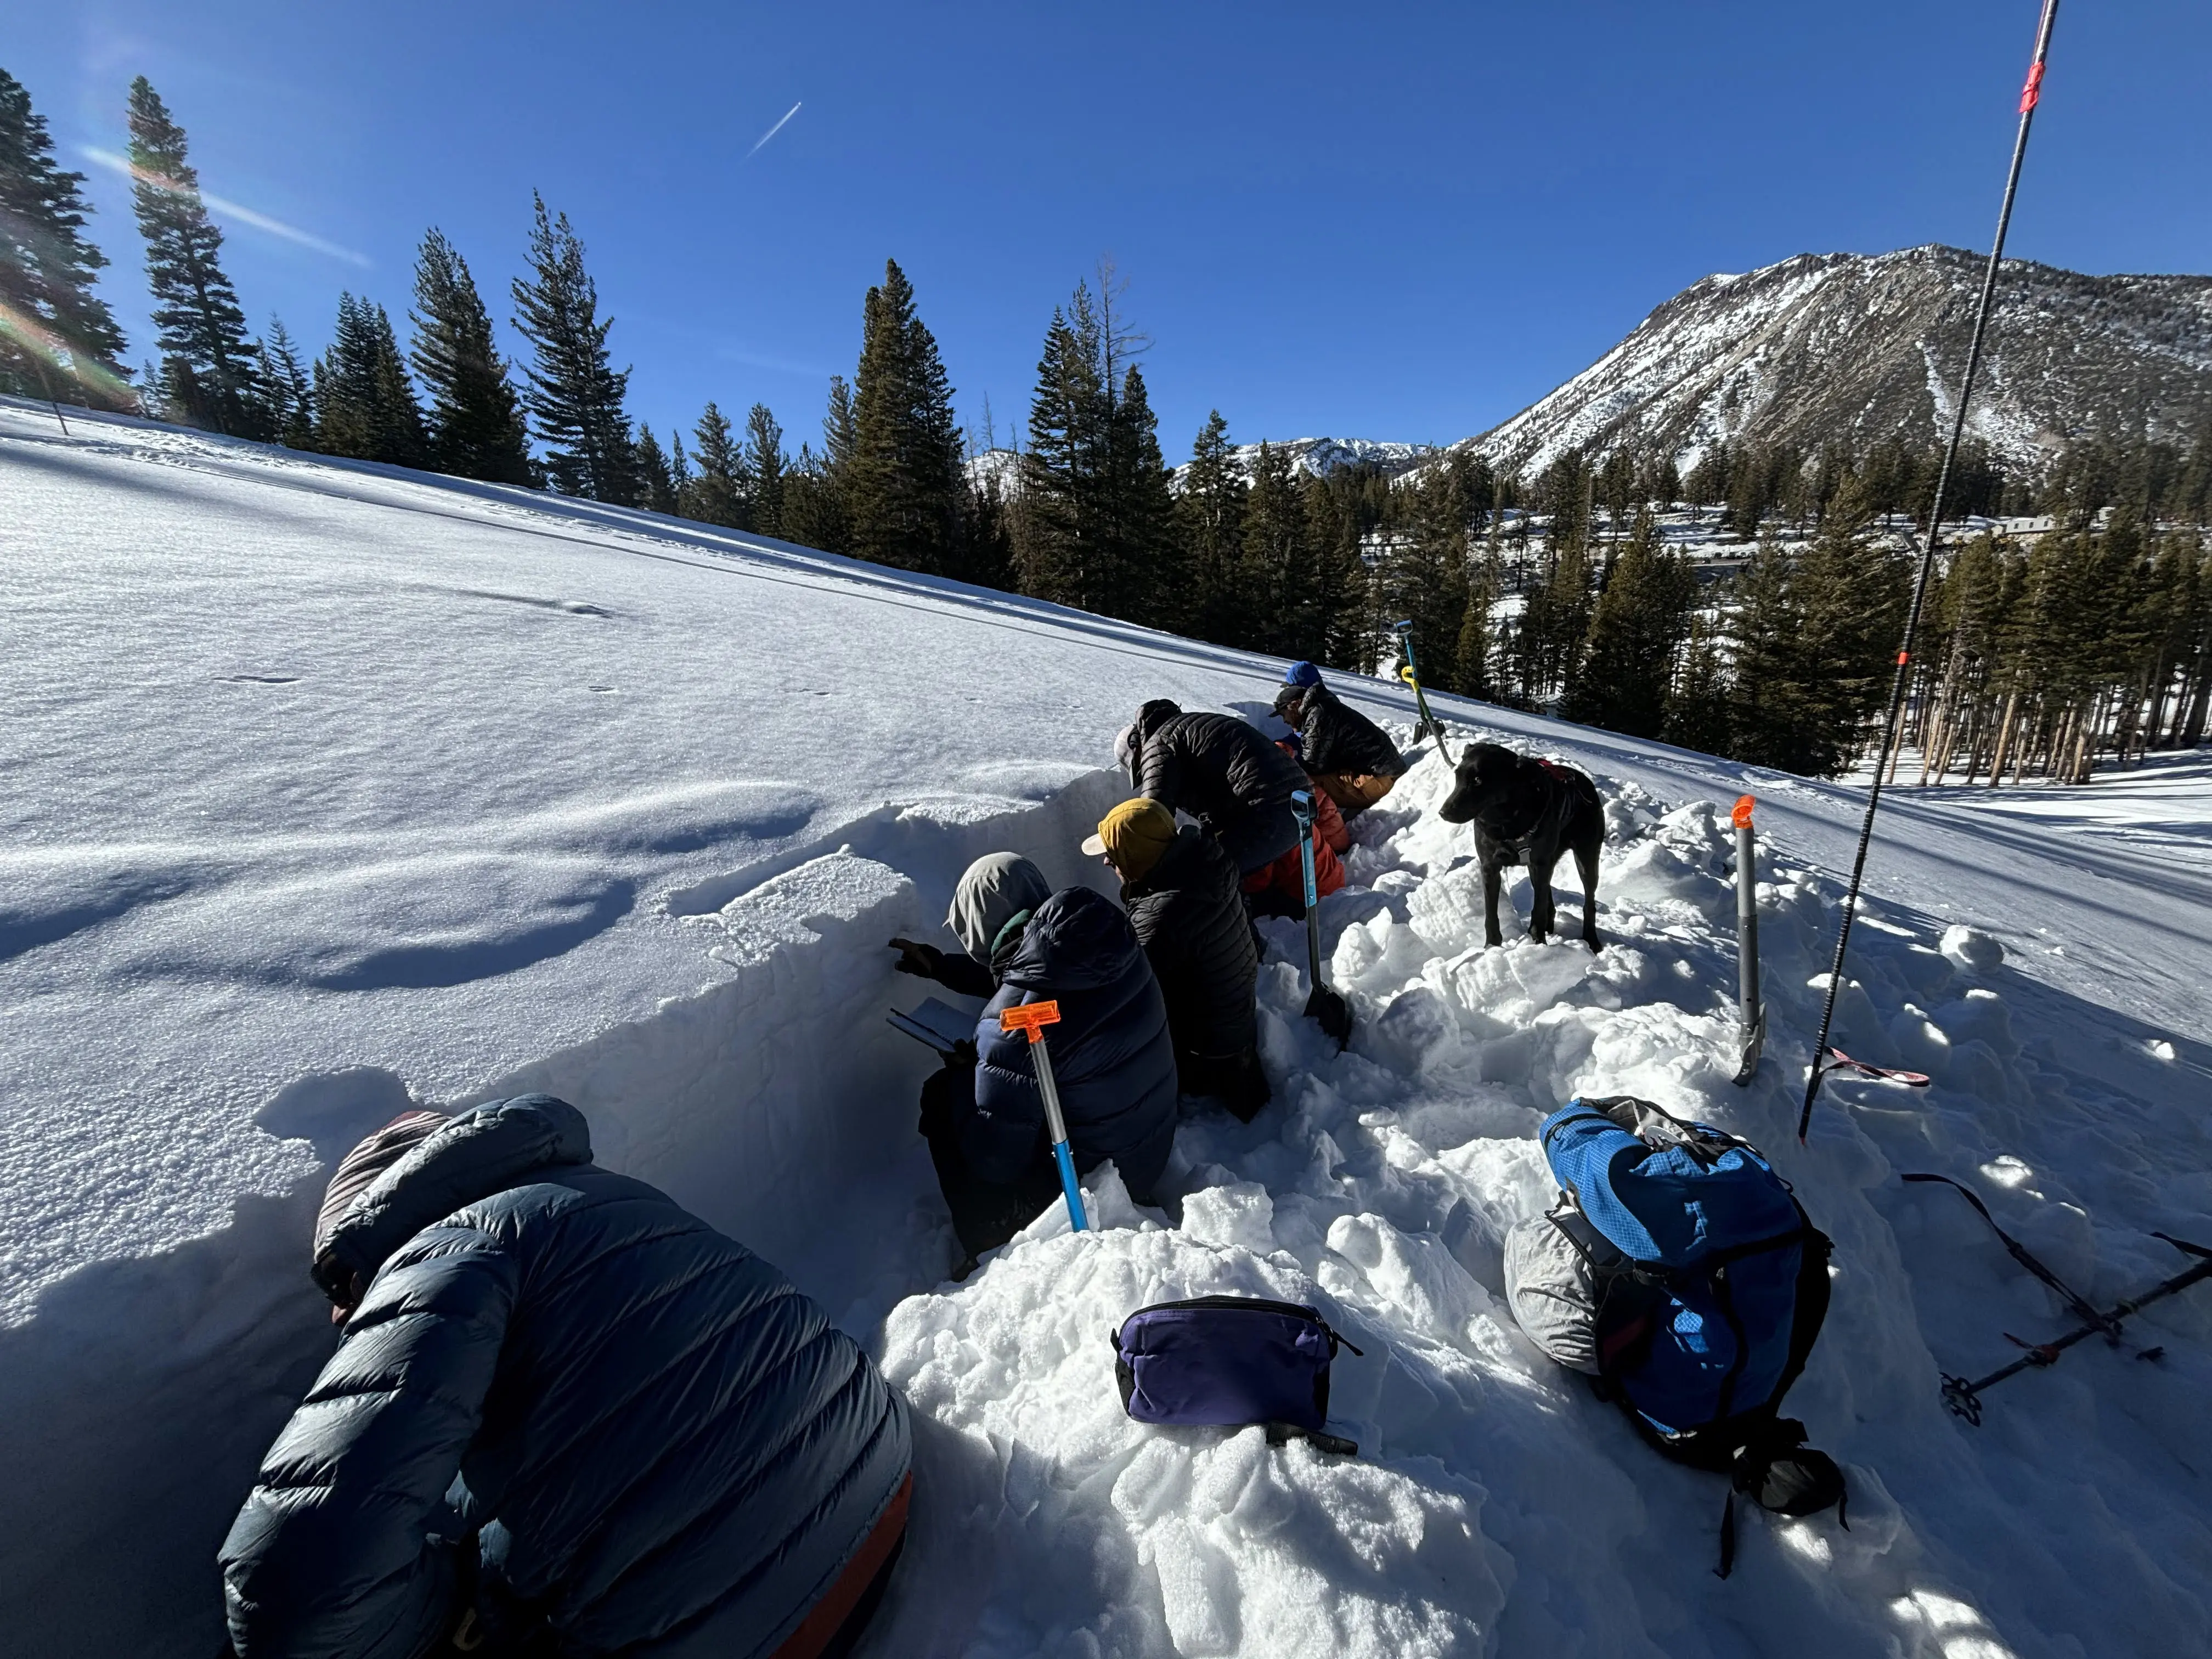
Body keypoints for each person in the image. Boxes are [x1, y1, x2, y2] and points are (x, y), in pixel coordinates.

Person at [219, 1096, 912, 1659]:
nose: (342, 1315)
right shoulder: (600, 1198)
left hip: (736, 1623)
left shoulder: (443, 1252)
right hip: (875, 1498)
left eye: (340, 1282)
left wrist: (444, 1618)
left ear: (370, 1227)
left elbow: (298, 1598)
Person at [890, 852, 1177, 1266]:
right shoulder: (1104, 937)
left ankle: (987, 1241)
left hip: (1092, 1192)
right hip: (1147, 1153)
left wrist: (967, 1079)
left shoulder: (1008, 1028)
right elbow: (1034, 973)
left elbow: (995, 1160)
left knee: (940, 1094)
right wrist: (941, 968)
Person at [1082, 799, 1269, 1121]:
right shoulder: (1206, 865)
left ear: (1135, 858)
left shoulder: (1164, 914)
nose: (1104, 863)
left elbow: (1125, 995)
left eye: (1112, 855)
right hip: (1235, 1024)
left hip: (1209, 1055)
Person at [1121, 697, 1336, 917]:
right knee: (1217, 867)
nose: (1143, 772)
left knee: (1203, 877)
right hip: (1295, 803)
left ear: (1137, 749)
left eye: (1139, 769)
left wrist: (1143, 875)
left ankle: (1240, 945)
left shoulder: (1159, 743)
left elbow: (1152, 814)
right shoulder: (1191, 728)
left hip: (1267, 808)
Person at [1272, 661, 1407, 817]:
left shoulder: (1320, 714)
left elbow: (1314, 765)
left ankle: (1319, 824)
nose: (1284, 721)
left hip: (1378, 780)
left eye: (1290, 687)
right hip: (1383, 772)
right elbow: (1308, 740)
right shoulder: (1323, 705)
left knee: (1301, 782)